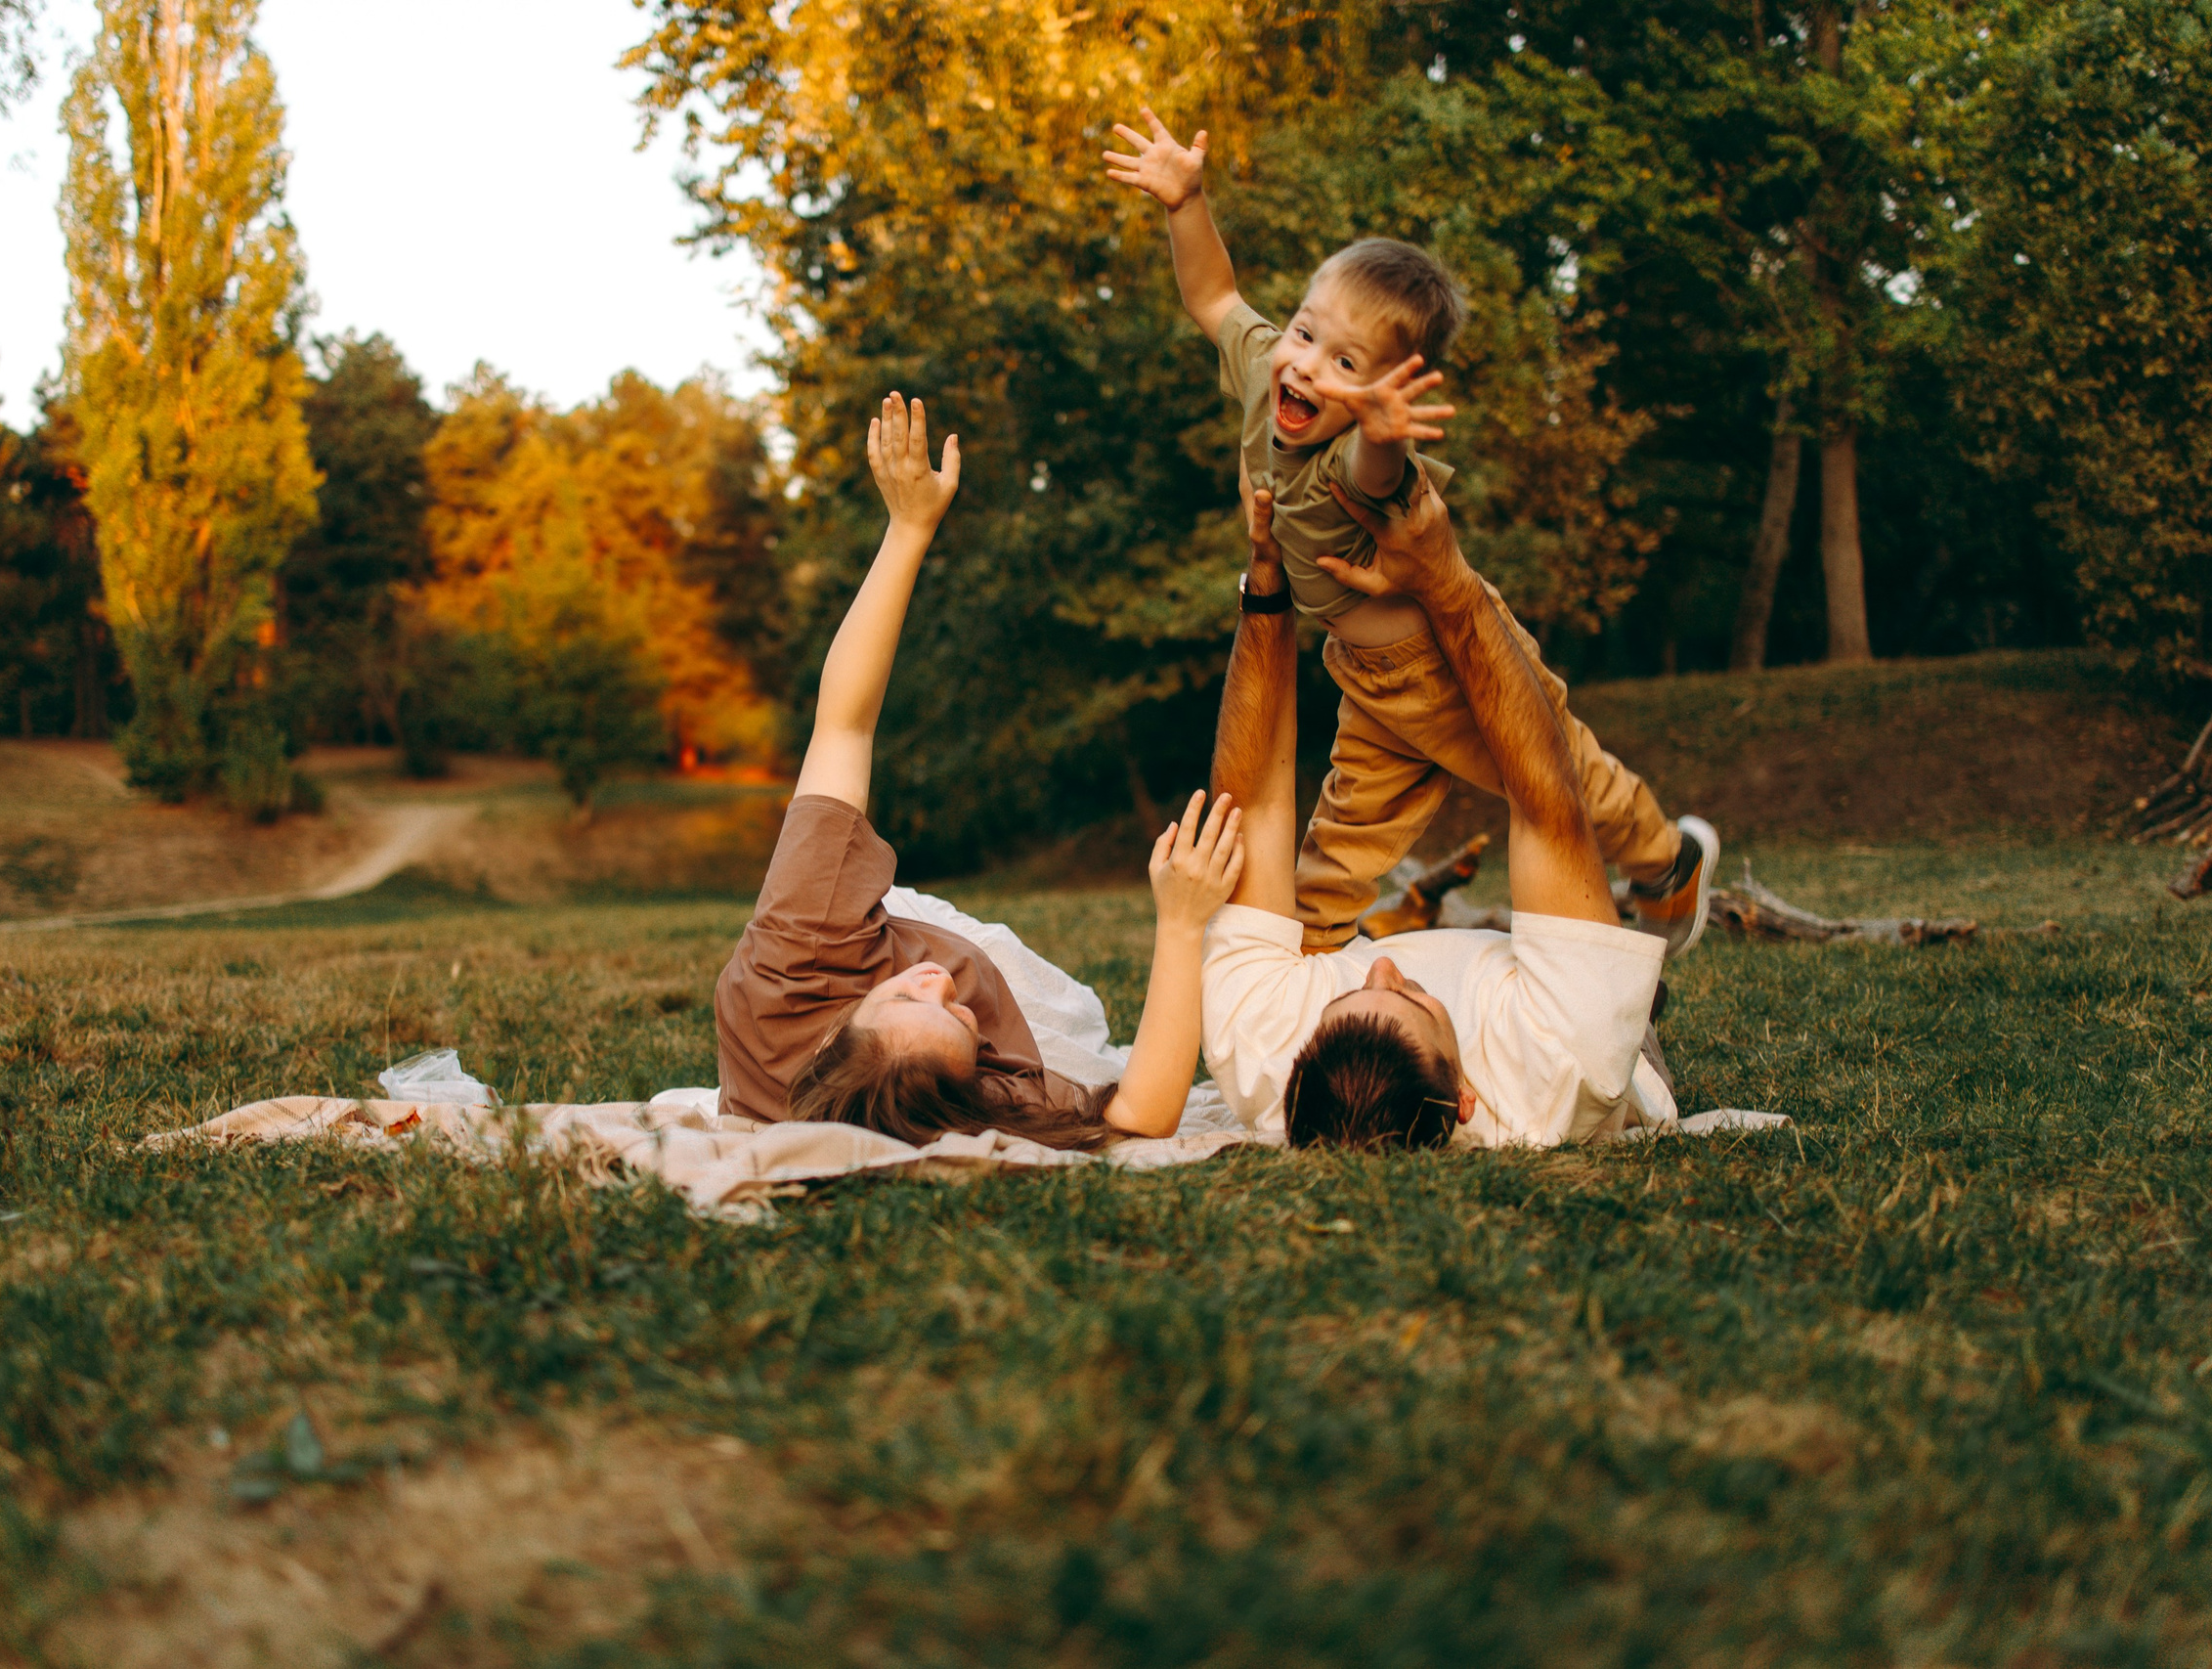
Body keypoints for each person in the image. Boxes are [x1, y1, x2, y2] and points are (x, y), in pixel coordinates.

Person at [1103, 109, 1718, 956]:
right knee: (1345, 827)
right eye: (1308, 332)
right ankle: (1308, 963)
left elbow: (1375, 472)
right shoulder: (1268, 368)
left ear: (1385, 393)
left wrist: (1383, 427)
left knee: (1556, 780)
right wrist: (1184, 204)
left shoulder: (1353, 463)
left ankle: (1667, 861)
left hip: (1454, 663)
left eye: (1346, 365)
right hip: (1372, 678)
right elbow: (1214, 293)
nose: (1308, 364)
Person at [714, 392, 1245, 1149]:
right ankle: (1018, 1033)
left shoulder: (798, 953)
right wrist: (1183, 922)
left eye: (913, 1001)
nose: (944, 989)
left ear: (840, 1031)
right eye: (955, 1016)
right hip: (987, 1048)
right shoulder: (972, 1078)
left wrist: (907, 529)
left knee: (1021, 990)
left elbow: (844, 723)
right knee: (1077, 1039)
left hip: (873, 943)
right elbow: (1142, 1117)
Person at [1200, 470, 1701, 1150]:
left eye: (1350, 996)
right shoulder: (1560, 1060)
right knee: (1491, 700)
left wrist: (1266, 577)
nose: (1383, 968)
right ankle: (1657, 915)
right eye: (1411, 995)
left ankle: (1389, 657)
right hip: (1576, 1009)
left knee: (1313, 911)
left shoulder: (1260, 1049)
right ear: (1465, 1098)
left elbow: (1253, 801)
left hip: (1437, 969)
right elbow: (1544, 791)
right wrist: (1446, 579)